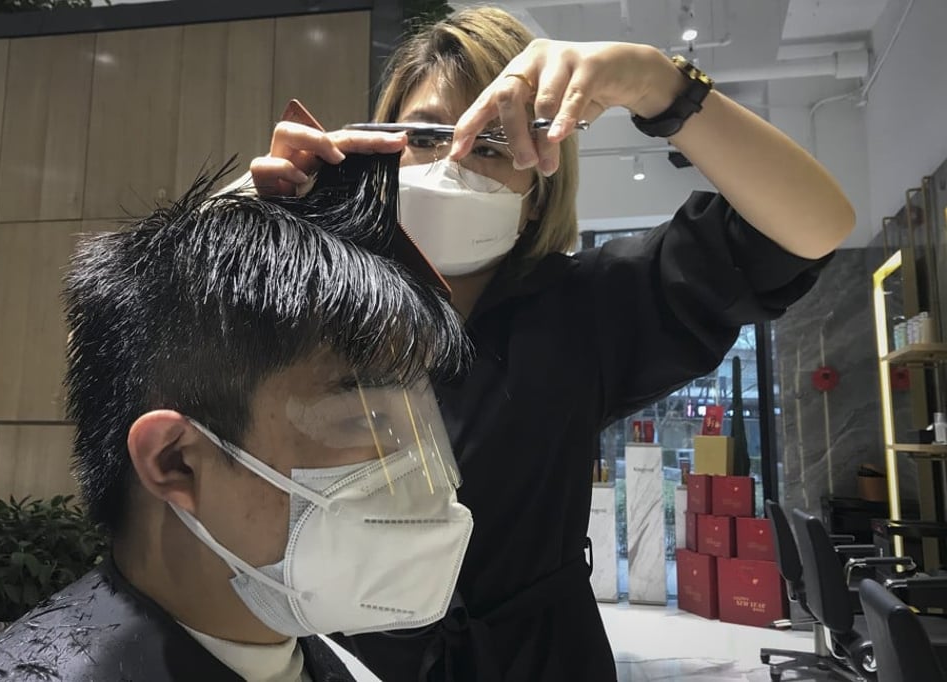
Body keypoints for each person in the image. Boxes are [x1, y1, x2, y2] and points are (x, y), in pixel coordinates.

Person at [246, 7, 856, 681]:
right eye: (423, 136)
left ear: (538, 189)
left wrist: (657, 82)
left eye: (491, 143)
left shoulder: (588, 306)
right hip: (344, 657)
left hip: (536, 660)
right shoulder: (324, 304)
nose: (449, 164)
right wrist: (252, 225)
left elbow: (810, 230)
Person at [0, 154, 475, 682]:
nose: (415, 466)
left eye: (415, 419)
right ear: (177, 462)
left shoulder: (343, 665)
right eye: (364, 419)